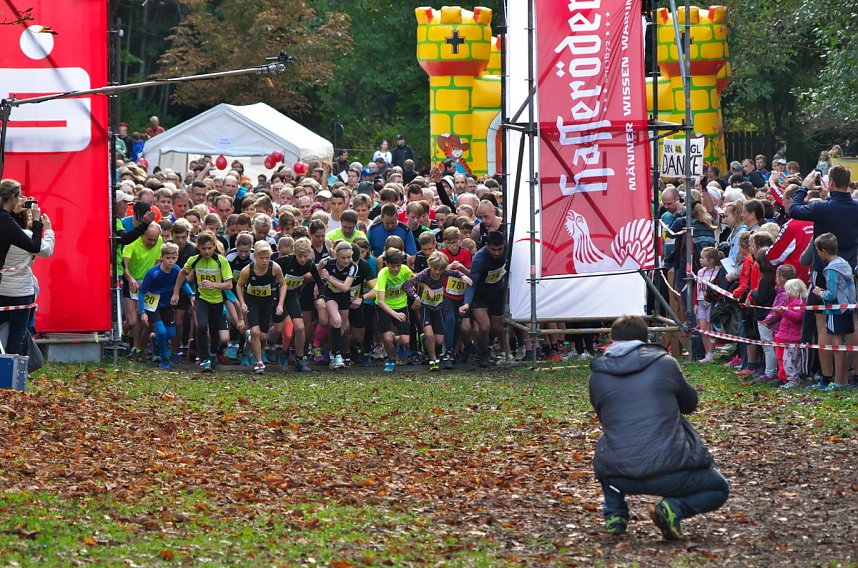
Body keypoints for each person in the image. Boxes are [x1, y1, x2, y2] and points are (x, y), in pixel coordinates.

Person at [588, 315, 729, 540]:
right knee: (719, 488)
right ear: (645, 339)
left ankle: (615, 515)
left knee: (609, 441)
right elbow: (689, 404)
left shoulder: (598, 375)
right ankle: (674, 508)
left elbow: (604, 416)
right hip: (672, 470)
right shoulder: (665, 363)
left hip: (618, 474)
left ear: (612, 339)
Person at [789, 166, 858, 388]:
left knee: (823, 325)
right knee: (854, 322)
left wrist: (803, 186)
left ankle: (827, 376)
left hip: (824, 272)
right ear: (848, 182)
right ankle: (855, 374)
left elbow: (794, 210)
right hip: (851, 271)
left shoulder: (822, 207)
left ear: (831, 184)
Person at [172, 231, 233, 372]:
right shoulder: (195, 260)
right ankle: (204, 358)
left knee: (214, 329)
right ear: (198, 247)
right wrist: (175, 292)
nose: (206, 251)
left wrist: (214, 285)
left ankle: (213, 353)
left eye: (210, 248)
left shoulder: (221, 261)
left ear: (214, 247)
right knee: (201, 326)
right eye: (203, 248)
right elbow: (181, 273)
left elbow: (229, 285)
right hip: (202, 299)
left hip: (217, 300)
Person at [0, 193, 54, 355]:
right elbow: (46, 250)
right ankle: (11, 373)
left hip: (2, 288)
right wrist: (48, 230)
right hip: (21, 291)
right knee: (17, 335)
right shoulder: (27, 236)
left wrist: (13, 211)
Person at [404, 251, 472, 371]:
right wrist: (416, 297)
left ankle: (425, 341)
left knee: (439, 340)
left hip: (437, 306)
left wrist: (463, 276)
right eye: (435, 269)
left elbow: (455, 272)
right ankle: (433, 360)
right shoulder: (425, 273)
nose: (437, 272)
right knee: (430, 334)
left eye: (440, 269)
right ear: (430, 266)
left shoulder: (444, 272)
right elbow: (407, 285)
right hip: (425, 306)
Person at [138, 243, 194, 369]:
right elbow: (142, 292)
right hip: (153, 306)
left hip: (167, 305)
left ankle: (155, 340)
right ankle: (164, 359)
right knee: (162, 332)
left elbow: (184, 283)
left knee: (171, 333)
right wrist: (142, 312)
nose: (171, 261)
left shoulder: (176, 270)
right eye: (168, 258)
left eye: (173, 258)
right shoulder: (153, 273)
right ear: (162, 257)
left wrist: (191, 294)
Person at [811, 233, 856, 391]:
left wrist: (818, 292)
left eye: (818, 250)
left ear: (824, 251)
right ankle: (842, 380)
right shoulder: (844, 263)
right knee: (843, 344)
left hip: (835, 310)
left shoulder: (831, 269)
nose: (817, 254)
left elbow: (831, 294)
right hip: (848, 307)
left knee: (836, 344)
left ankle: (839, 382)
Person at [460, 230, 510, 367]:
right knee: (484, 326)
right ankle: (482, 355)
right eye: (493, 249)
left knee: (497, 326)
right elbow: (472, 282)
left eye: (500, 249)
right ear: (487, 245)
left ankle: (487, 347)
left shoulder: (507, 250)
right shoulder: (480, 259)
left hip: (497, 292)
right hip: (479, 295)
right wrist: (467, 303)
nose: (497, 253)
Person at [235, 241, 287, 374]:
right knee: (256, 332)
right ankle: (259, 363)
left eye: (267, 258)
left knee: (263, 336)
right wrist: (242, 303)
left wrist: (280, 304)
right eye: (261, 258)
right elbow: (239, 285)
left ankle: (249, 341)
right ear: (255, 257)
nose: (264, 261)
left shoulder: (275, 268)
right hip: (252, 301)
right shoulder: (247, 270)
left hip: (267, 302)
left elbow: (283, 284)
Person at [370, 248, 413, 373]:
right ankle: (391, 359)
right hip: (385, 307)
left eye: (398, 266)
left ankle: (394, 339)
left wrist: (417, 296)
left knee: (405, 340)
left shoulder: (405, 270)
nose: (395, 269)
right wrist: (395, 314)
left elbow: (416, 280)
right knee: (387, 339)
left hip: (401, 305)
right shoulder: (383, 274)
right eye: (392, 266)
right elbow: (381, 301)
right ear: (386, 264)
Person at [319, 241, 358, 370]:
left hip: (344, 297)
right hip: (331, 295)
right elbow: (320, 270)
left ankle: (330, 350)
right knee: (336, 320)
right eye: (343, 258)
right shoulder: (327, 263)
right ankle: (336, 355)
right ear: (336, 255)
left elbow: (345, 288)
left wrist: (330, 279)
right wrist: (320, 287)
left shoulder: (353, 267)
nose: (346, 260)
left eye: (349, 257)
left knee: (340, 328)